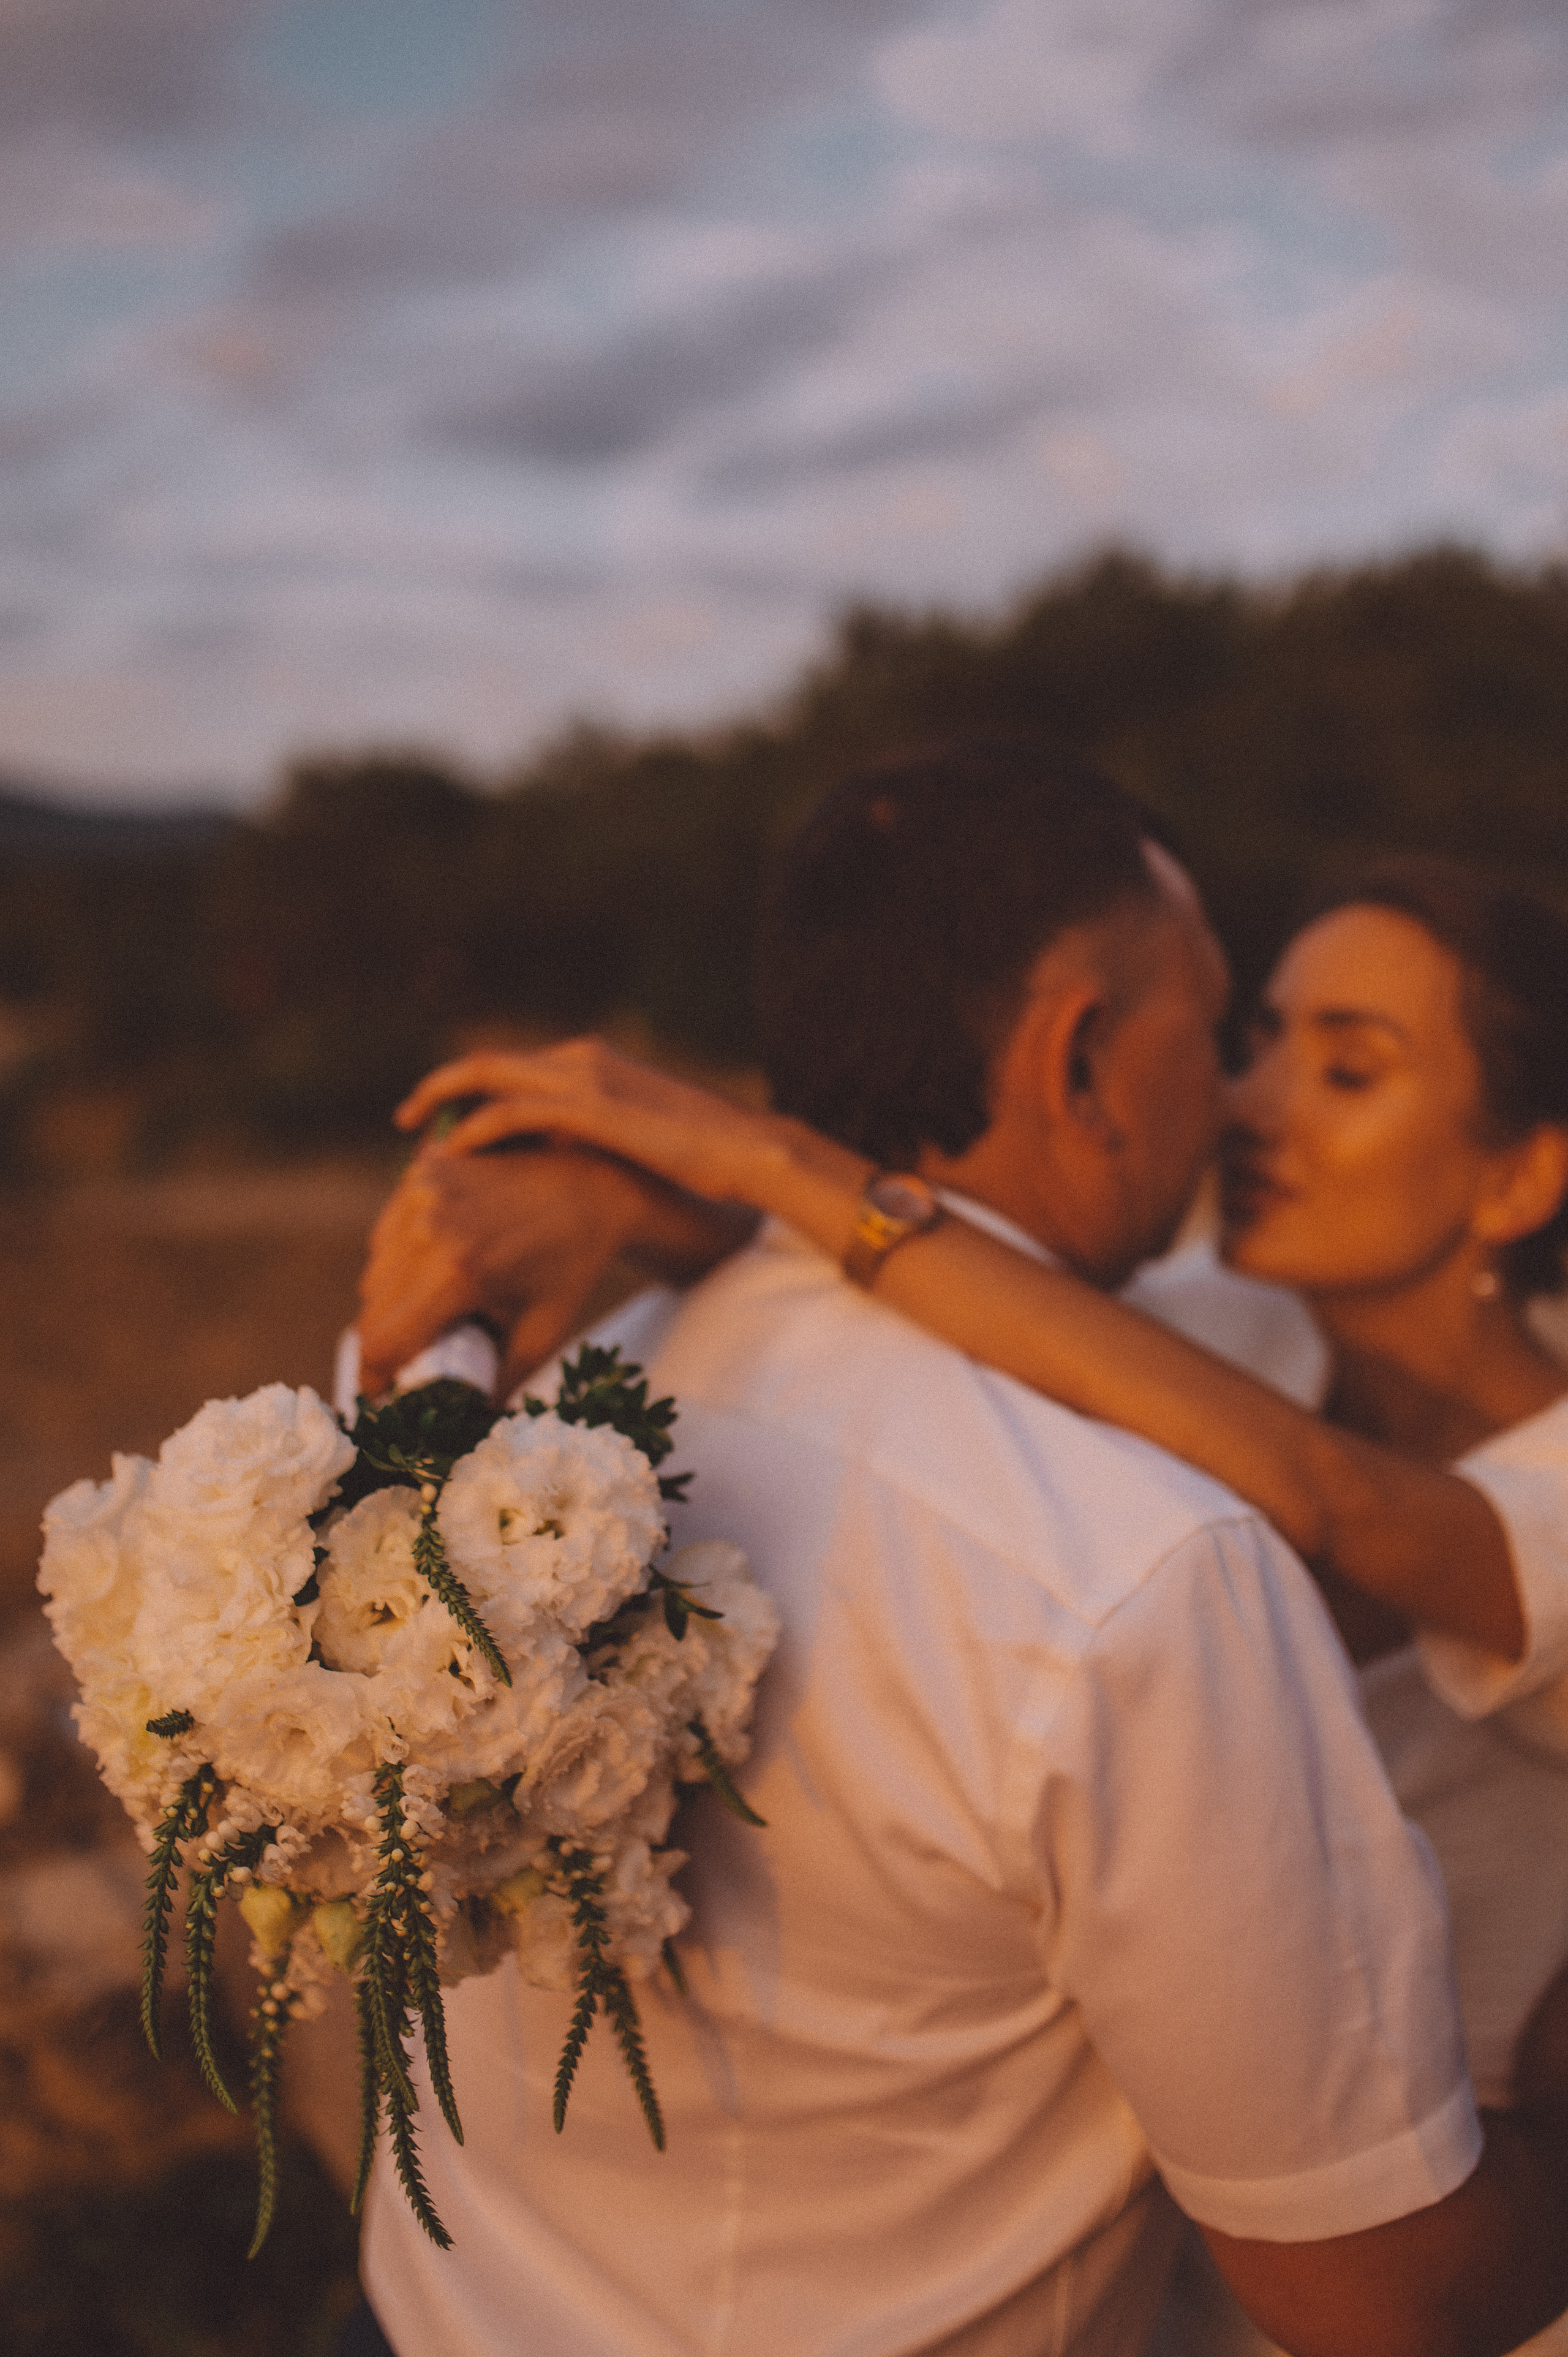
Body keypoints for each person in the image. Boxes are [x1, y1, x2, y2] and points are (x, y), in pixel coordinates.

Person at [355, 745, 1568, 2357]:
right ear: (1083, 1059)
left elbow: (1326, 1491)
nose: (1243, 1102)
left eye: (1343, 1066)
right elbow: (1381, 2298)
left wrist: (741, 1177)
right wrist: (687, 1198)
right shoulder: (1158, 1493)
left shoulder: (578, 1405)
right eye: (1235, 1033)